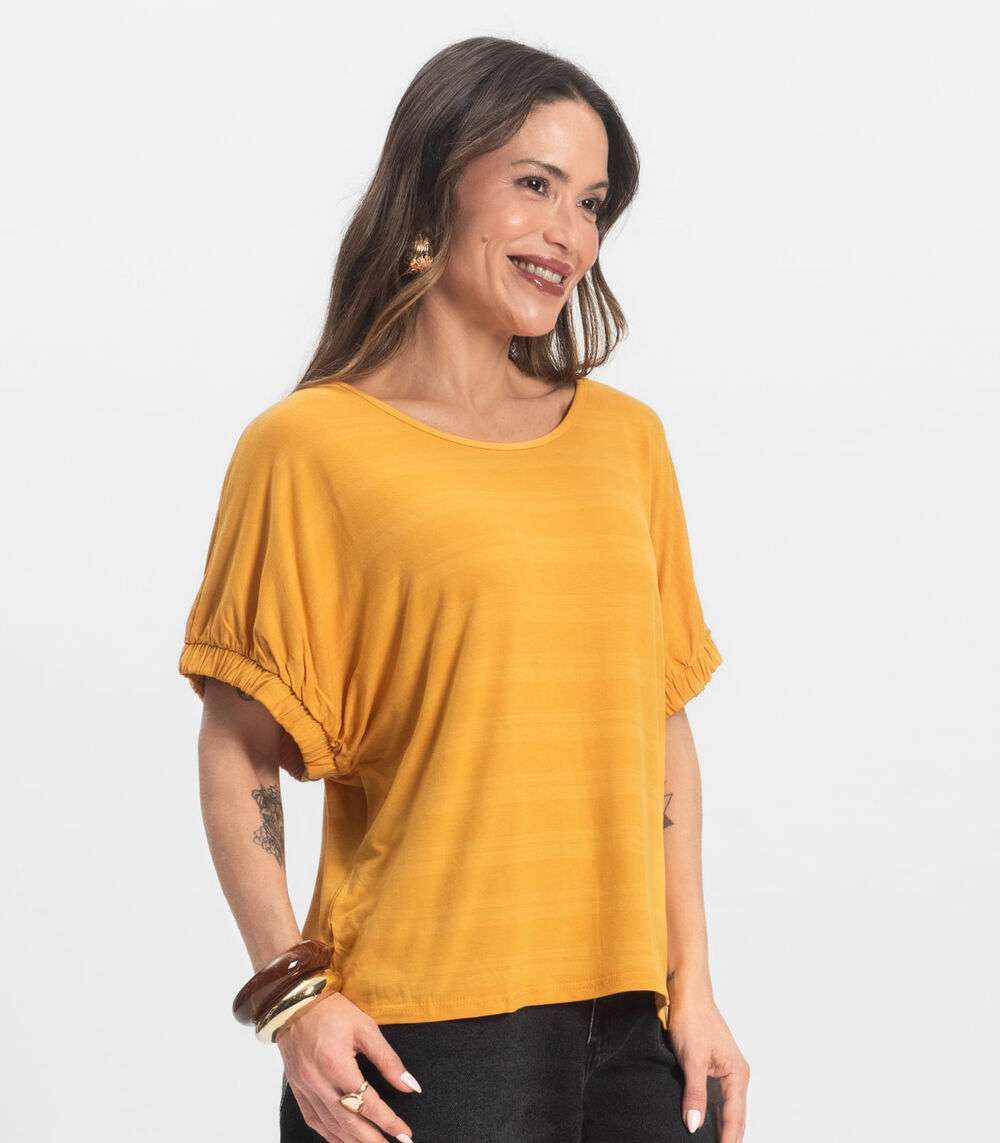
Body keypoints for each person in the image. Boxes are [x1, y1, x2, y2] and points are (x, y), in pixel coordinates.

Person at [178, 34, 749, 1143]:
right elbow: (236, 744)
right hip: (425, 1037)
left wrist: (694, 990)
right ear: (437, 182)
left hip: (635, 1032)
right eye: (535, 185)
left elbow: (659, 724)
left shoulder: (626, 442)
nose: (569, 233)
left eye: (590, 204)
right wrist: (291, 1000)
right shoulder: (309, 447)